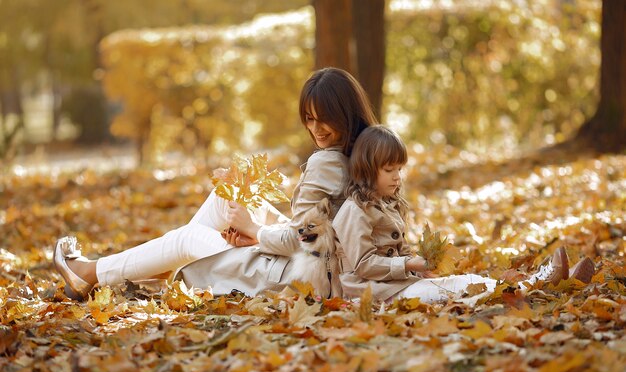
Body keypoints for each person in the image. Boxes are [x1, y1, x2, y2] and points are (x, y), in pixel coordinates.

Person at [54, 67, 378, 300]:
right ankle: (161, 269)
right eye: (309, 118)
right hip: (306, 261)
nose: (316, 128)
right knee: (225, 199)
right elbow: (325, 232)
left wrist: (255, 231)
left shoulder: (329, 164)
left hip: (298, 276)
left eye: (324, 117)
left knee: (189, 238)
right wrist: (257, 233)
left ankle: (93, 273)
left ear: (345, 113)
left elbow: (306, 240)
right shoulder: (370, 153)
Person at [332, 125, 596, 303]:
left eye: (400, 169)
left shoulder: (384, 204)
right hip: (375, 294)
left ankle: (543, 281)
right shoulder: (354, 211)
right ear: (367, 170)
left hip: (395, 285)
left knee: (469, 280)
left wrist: (419, 269)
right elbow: (364, 265)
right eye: (390, 170)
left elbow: (396, 252)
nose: (397, 177)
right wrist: (410, 265)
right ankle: (538, 285)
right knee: (459, 287)